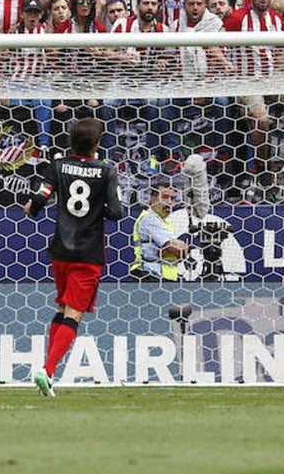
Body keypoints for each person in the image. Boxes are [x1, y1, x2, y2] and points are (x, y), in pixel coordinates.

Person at [23, 118, 123, 396]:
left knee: (61, 308)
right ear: (96, 143)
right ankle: (47, 370)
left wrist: (32, 207)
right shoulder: (106, 171)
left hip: (60, 252)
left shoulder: (57, 166)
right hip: (88, 254)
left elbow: (40, 198)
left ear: (70, 141)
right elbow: (116, 213)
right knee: (74, 315)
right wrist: (96, 209)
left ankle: (48, 372)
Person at [129, 181, 187, 281]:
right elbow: (178, 248)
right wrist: (174, 248)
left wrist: (174, 248)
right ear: (153, 199)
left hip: (162, 277)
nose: (169, 202)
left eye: (172, 199)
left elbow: (182, 252)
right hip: (150, 276)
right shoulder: (150, 219)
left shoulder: (163, 222)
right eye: (165, 197)